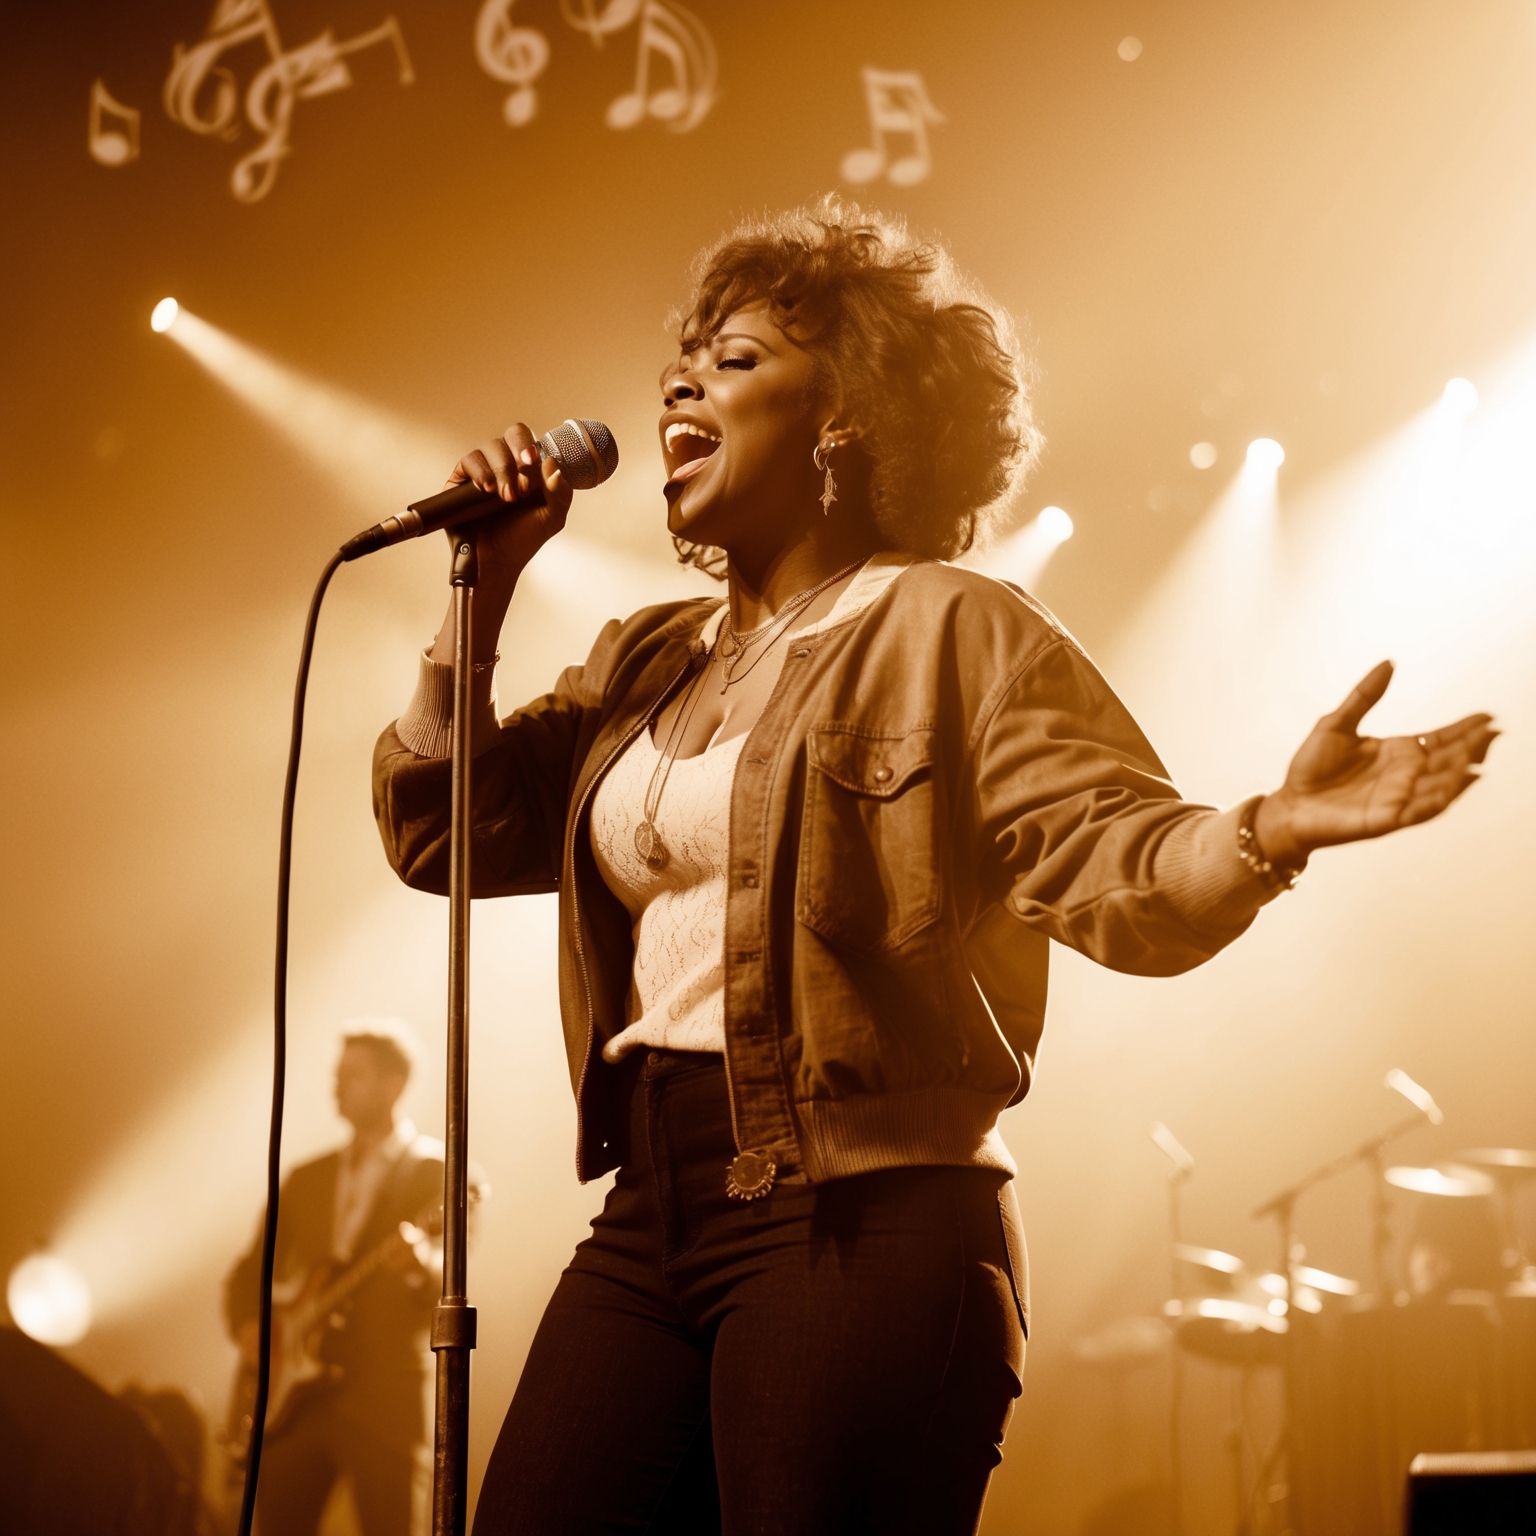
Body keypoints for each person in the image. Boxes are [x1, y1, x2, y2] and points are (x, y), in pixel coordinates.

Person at [372, 198, 1496, 1534]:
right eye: (683, 356)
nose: (682, 379)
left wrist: (1266, 832)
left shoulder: (949, 626)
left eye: (736, 361)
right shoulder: (643, 658)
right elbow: (447, 831)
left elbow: (1117, 857)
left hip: (862, 1216)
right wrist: (481, 596)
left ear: (848, 417)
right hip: (648, 1208)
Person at [225, 1022, 442, 1536]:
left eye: (353, 1075)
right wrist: (249, 1330)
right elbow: (246, 1276)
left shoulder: (439, 1172)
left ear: (393, 1085)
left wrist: (418, 1267)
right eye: (336, 1075)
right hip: (293, 1408)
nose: (336, 1086)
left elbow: (448, 1278)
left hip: (381, 1401)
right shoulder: (307, 1177)